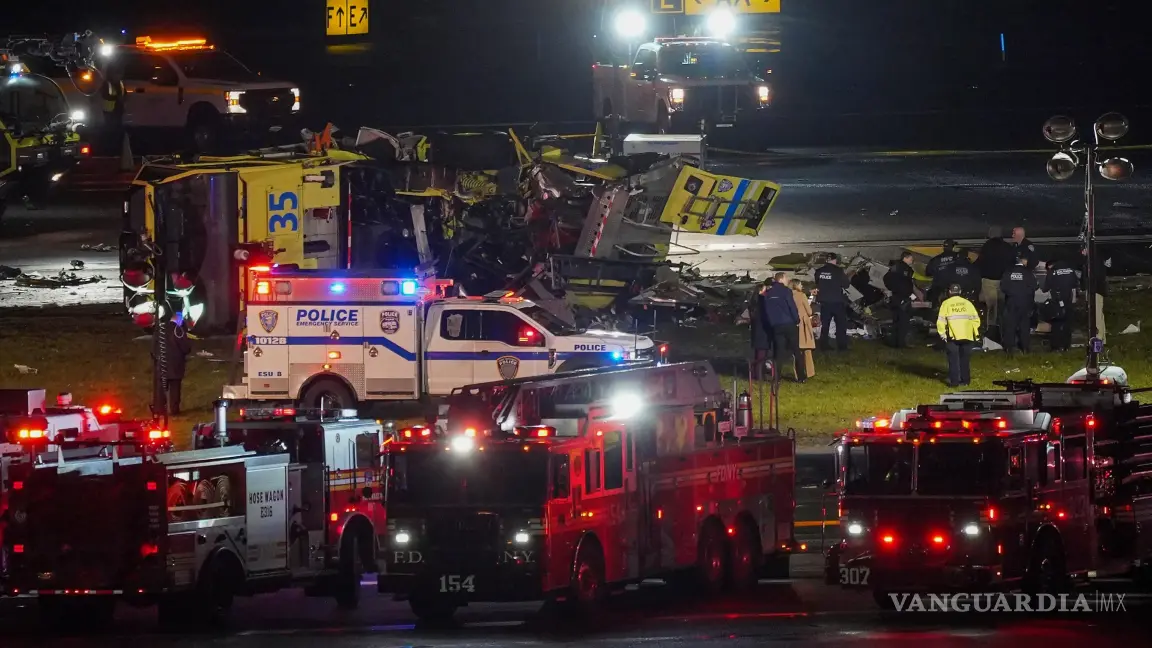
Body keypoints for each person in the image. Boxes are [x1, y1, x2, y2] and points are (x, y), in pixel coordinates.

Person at [762, 272, 805, 383]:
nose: (788, 280)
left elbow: (767, 311)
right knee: (796, 351)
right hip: (789, 323)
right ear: (781, 279)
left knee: (779, 352)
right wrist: (797, 319)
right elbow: (791, 306)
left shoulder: (768, 293)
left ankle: (776, 377)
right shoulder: (786, 291)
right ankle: (801, 377)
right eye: (786, 278)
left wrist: (772, 323)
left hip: (776, 325)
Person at [936, 284, 981, 387]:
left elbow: (941, 321)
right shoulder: (968, 303)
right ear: (960, 292)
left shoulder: (946, 303)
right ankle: (965, 381)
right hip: (968, 335)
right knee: (965, 359)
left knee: (953, 359)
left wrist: (942, 334)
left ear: (949, 292)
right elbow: (976, 320)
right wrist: (974, 332)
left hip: (953, 336)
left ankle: (954, 382)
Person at [152, 315, 192, 415]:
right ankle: (174, 410)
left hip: (161, 364)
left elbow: (153, 347)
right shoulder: (178, 330)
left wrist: (157, 359)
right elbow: (186, 348)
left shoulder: (160, 329)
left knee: (160, 388)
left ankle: (159, 409)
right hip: (175, 364)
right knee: (175, 388)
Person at [978, 226, 1015, 329]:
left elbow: (980, 262)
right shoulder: (1007, 247)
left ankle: (991, 328)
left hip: (989, 280)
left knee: (991, 307)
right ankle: (1003, 326)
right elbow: (1013, 262)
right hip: (1003, 280)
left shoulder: (986, 246)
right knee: (1001, 305)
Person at [1000, 253, 1038, 355]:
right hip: (1025, 302)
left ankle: (1009, 348)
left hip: (1011, 301)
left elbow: (1003, 287)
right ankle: (1025, 348)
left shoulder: (1008, 272)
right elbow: (1034, 286)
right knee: (1024, 325)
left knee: (1010, 325)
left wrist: (1012, 293)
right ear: (1024, 261)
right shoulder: (1028, 272)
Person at [813, 253, 850, 351]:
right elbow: (846, 285)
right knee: (841, 325)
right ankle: (842, 347)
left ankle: (824, 345)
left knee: (825, 325)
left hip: (824, 302)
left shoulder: (819, 271)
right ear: (835, 260)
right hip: (837, 301)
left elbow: (817, 283)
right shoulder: (838, 271)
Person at [1045, 252, 1078, 351]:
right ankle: (1066, 346)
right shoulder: (1070, 270)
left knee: (1056, 323)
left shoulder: (1052, 271)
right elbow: (1075, 284)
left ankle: (1056, 346)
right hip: (1068, 300)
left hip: (1056, 301)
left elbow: (1045, 288)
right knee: (1067, 323)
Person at [883, 252, 917, 348]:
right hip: (903, 298)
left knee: (896, 320)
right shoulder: (906, 269)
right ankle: (900, 344)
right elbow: (906, 284)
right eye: (911, 259)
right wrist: (909, 294)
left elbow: (886, 278)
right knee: (903, 321)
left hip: (895, 297)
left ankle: (894, 342)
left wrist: (892, 289)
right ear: (905, 258)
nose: (912, 261)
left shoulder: (895, 267)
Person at [1083, 244, 1109, 344]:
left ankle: (1098, 338)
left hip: (1095, 291)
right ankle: (1102, 337)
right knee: (1099, 314)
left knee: (1096, 314)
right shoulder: (1096, 260)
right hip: (1097, 290)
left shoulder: (1093, 262)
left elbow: (1095, 277)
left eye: (1085, 249)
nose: (1083, 252)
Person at [790, 279, 817, 378]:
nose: (802, 286)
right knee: (807, 350)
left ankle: (797, 374)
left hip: (793, 323)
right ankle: (810, 372)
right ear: (796, 285)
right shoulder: (801, 295)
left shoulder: (789, 295)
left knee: (796, 351)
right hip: (803, 323)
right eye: (800, 284)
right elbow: (809, 312)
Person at [748, 281, 774, 380]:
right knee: (762, 355)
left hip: (756, 330)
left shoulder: (753, 302)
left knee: (758, 353)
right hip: (763, 330)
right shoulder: (762, 301)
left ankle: (756, 373)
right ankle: (759, 375)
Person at [925, 239, 960, 305]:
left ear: (943, 247)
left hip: (938, 289)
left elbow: (928, 273)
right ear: (953, 247)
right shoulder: (958, 258)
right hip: (954, 288)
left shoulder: (935, 259)